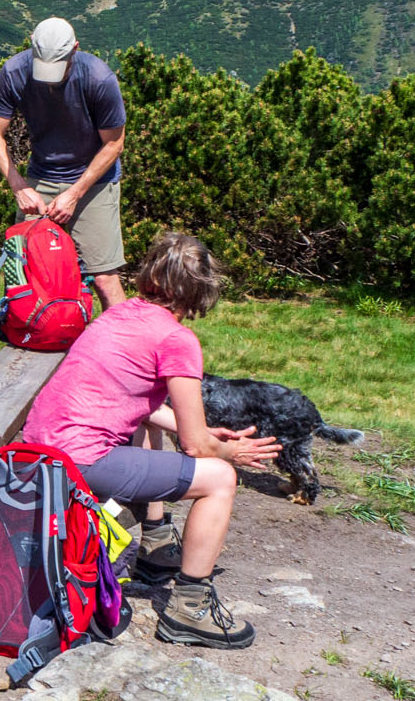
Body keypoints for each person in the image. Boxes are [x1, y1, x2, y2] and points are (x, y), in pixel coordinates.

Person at [21, 231, 280, 650]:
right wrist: (230, 451)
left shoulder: (118, 316)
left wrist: (190, 429)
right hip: (79, 461)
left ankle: (156, 545)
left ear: (150, 275)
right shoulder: (177, 339)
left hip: (39, 449)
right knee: (220, 479)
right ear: (202, 287)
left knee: (157, 426)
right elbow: (198, 448)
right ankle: (189, 608)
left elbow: (134, 403)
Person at [0, 17, 127, 310]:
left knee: (103, 278)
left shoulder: (99, 78)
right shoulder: (14, 72)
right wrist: (19, 186)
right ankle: (27, 342)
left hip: (94, 181)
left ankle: (122, 349)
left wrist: (74, 194)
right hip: (41, 176)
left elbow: (114, 143)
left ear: (75, 49)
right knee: (23, 270)